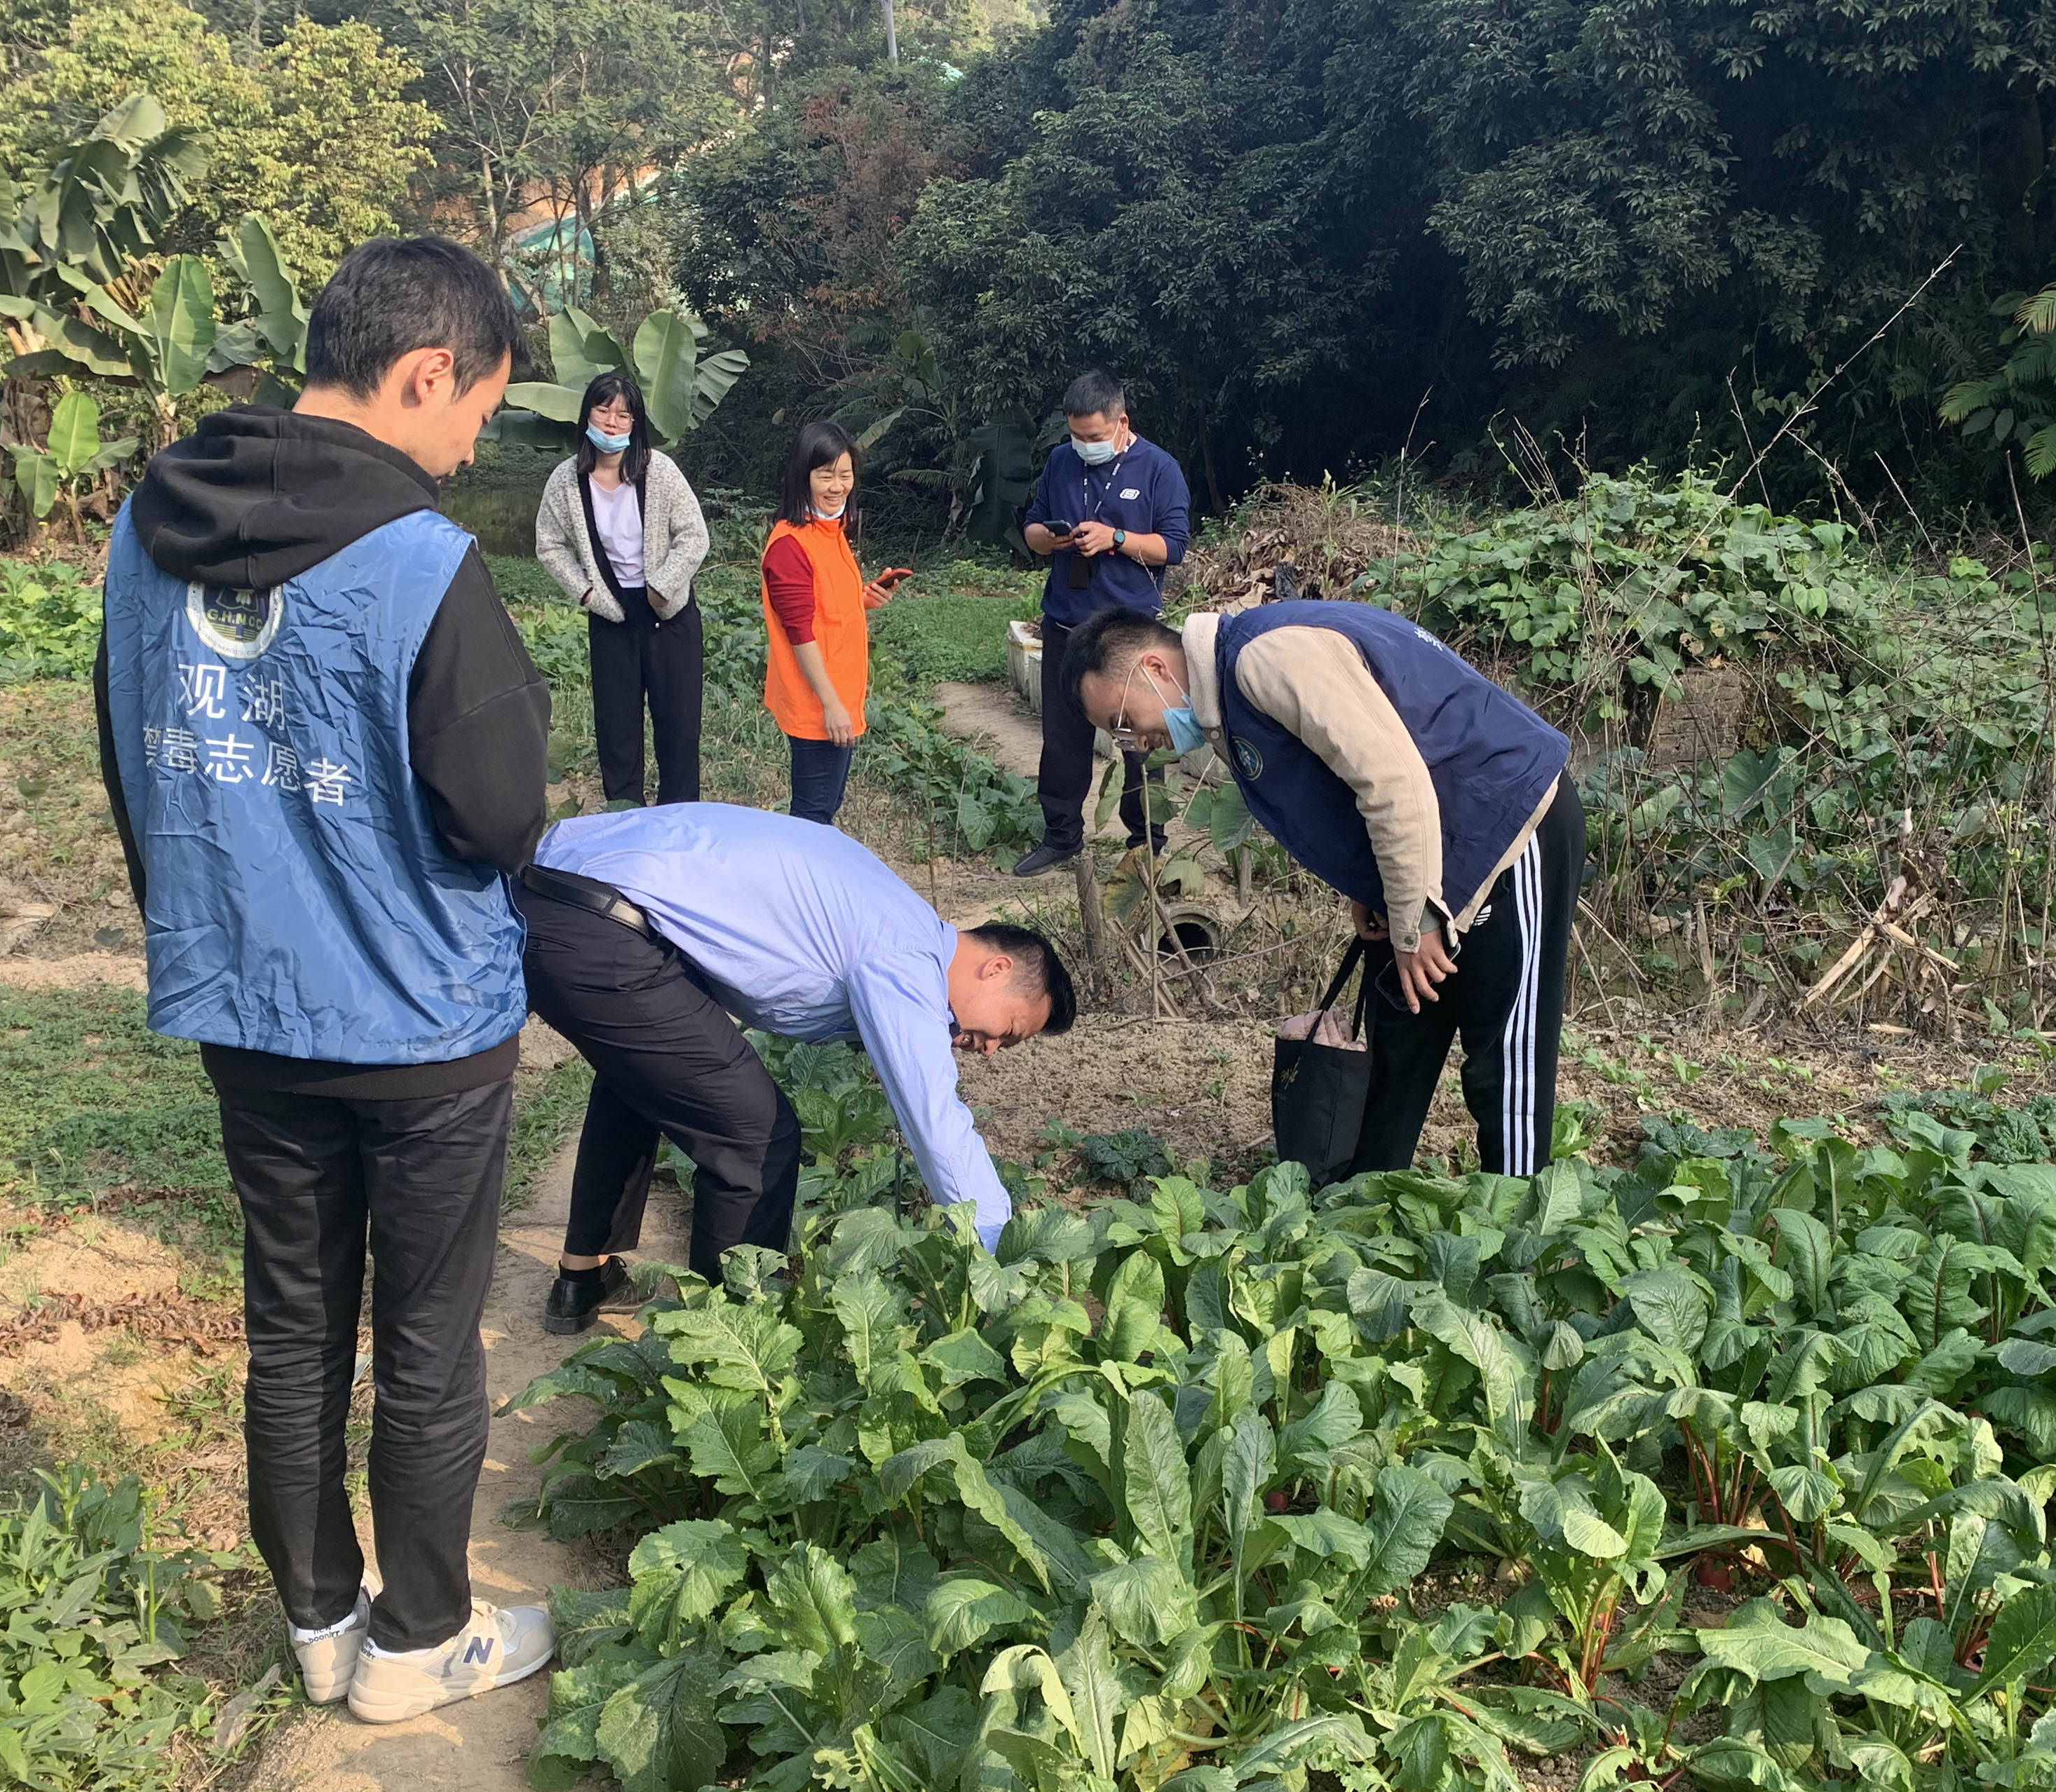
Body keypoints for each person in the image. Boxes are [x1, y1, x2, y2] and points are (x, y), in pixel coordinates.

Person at [95, 236, 555, 1725]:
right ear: (424, 372)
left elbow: (128, 762)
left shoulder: (139, 537)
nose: (473, 439)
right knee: (425, 1339)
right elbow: (494, 817)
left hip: (245, 1007)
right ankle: (420, 1642)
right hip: (420, 1025)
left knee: (292, 1327)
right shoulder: (422, 563)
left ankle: (316, 1623)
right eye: (475, 407)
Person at [1064, 599, 1585, 1178]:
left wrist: (1416, 923)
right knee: (1401, 1034)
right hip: (1423, 857)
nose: (1132, 742)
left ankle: (1520, 1230)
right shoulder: (1230, 701)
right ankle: (1365, 1211)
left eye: (1124, 722)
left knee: (1503, 1051)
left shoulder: (1268, 657)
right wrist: (1373, 886)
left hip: (1503, 825)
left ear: (1155, 670)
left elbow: (1390, 778)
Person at [515, 803, 1075, 1329]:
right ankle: (730, 1339)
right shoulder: (908, 957)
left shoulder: (892, 907)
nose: (991, 1048)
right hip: (606, 931)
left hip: (551, 898)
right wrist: (1001, 1250)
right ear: (996, 968)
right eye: (1011, 1031)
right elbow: (934, 1121)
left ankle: (582, 1280)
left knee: (648, 1083)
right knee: (756, 1134)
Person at [1011, 370, 1191, 877]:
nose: (1084, 445)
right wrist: (1047, 539)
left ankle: (1146, 844)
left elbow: (1172, 546)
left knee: (1139, 738)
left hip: (1128, 636)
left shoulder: (1159, 468)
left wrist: (1115, 538)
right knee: (1063, 737)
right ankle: (1062, 837)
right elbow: (1032, 524)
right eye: (1076, 435)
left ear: (1121, 423)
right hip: (1066, 624)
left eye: (1094, 437)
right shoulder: (1060, 461)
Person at [532, 371, 712, 807]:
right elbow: (549, 545)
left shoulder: (659, 471)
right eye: (603, 410)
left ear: (635, 423)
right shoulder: (566, 481)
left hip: (669, 614)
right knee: (617, 732)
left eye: (623, 414)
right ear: (587, 415)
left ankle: (677, 821)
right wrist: (588, 595)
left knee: (678, 728)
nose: (612, 422)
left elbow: (695, 536)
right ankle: (624, 819)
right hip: (611, 616)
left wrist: (662, 587)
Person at [759, 421, 904, 826]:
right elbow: (799, 632)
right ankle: (796, 888)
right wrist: (830, 705)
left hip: (838, 696)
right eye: (826, 476)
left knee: (824, 807)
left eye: (845, 475)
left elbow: (821, 604)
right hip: (818, 706)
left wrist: (862, 599)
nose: (837, 486)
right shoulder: (791, 544)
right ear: (802, 477)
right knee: (812, 816)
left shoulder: (830, 531)